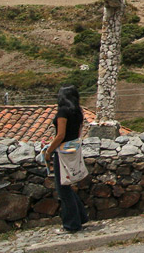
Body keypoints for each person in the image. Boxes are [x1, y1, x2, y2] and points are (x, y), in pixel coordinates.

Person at [44, 85, 89, 233]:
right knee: (67, 186)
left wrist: (49, 151)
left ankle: (72, 224)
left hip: (62, 152)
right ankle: (81, 216)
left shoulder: (63, 112)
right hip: (73, 149)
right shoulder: (78, 111)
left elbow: (60, 135)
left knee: (63, 188)